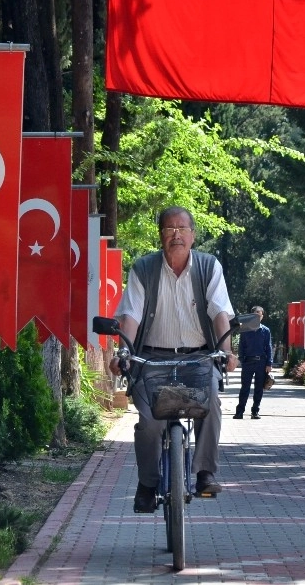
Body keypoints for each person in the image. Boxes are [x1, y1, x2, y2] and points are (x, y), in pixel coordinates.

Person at [109, 206, 237, 513]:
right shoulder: (144, 269)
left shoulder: (209, 267)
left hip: (198, 358)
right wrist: (124, 351)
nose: (176, 235)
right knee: (150, 424)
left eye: (182, 229)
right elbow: (130, 315)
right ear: (160, 236)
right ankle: (148, 484)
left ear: (193, 235)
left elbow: (220, 313)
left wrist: (227, 350)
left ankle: (205, 473)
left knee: (211, 405)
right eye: (169, 229)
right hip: (152, 359)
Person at [233, 305, 273, 419]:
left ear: (262, 317)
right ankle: (239, 412)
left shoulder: (265, 331)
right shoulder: (245, 330)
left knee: (258, 389)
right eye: (256, 314)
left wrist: (269, 363)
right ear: (252, 315)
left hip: (261, 362)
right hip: (248, 362)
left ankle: (255, 411)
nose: (258, 317)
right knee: (245, 388)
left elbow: (268, 347)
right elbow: (241, 346)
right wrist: (241, 359)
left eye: (260, 315)